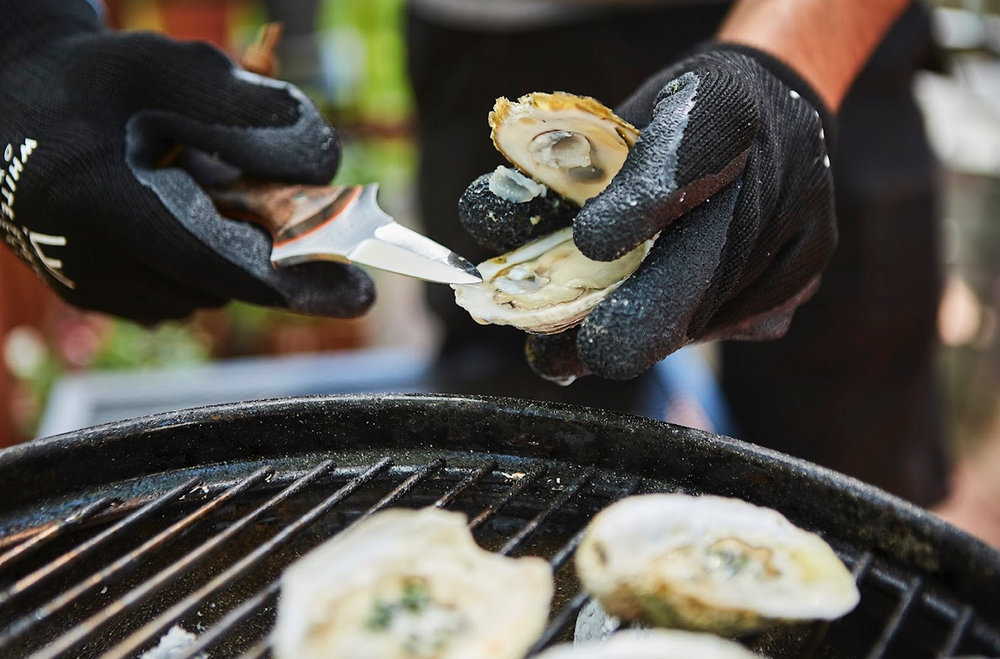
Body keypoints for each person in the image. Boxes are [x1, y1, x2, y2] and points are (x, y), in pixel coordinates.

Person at [0, 0, 945, 506]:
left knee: (850, 464)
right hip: (483, 37)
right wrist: (23, 47)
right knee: (522, 458)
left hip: (815, 32)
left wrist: (787, 65)